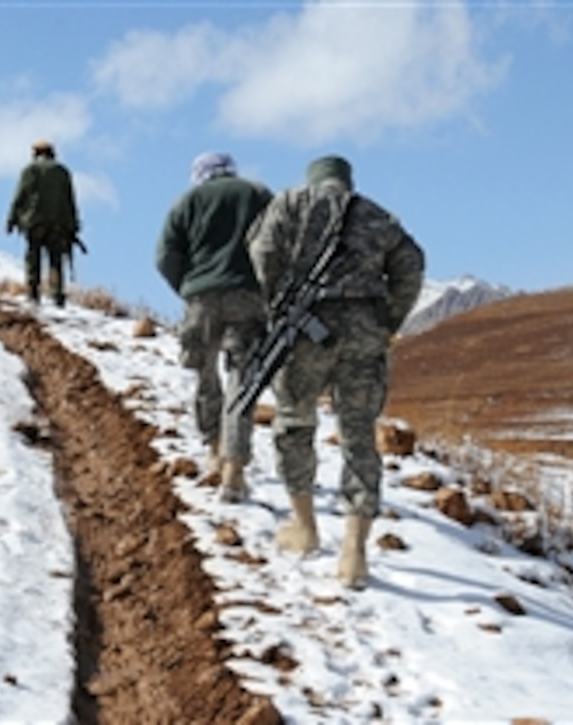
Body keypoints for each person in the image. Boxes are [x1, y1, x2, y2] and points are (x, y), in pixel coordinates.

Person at [247, 154, 425, 589]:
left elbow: (262, 251)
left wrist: (278, 305)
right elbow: (411, 265)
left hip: (304, 333)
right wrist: (388, 321)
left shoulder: (289, 205)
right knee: (360, 435)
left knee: (294, 422)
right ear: (348, 181)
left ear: (313, 180)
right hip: (364, 333)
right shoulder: (377, 214)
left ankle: (304, 527)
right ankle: (354, 553)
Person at [156, 152, 273, 503]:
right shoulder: (259, 194)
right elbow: (281, 242)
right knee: (241, 381)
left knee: (205, 373)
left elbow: (165, 255)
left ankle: (213, 450)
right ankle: (234, 470)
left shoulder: (186, 201)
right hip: (249, 297)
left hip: (201, 298)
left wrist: (188, 288)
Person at [6, 139, 81, 308]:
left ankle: (33, 294)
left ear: (35, 153)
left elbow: (20, 196)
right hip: (59, 223)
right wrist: (74, 224)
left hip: (35, 221)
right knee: (56, 260)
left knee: (33, 258)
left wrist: (11, 219)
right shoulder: (62, 172)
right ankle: (57, 296)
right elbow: (70, 200)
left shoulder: (30, 170)